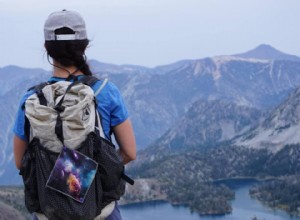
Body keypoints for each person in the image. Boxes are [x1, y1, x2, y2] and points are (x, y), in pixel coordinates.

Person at [13, 9, 136, 220]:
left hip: (49, 214)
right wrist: (84, 176)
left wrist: (60, 180)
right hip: (100, 213)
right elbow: (130, 153)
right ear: (85, 45)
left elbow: (20, 161)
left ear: (47, 48)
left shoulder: (32, 98)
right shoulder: (105, 92)